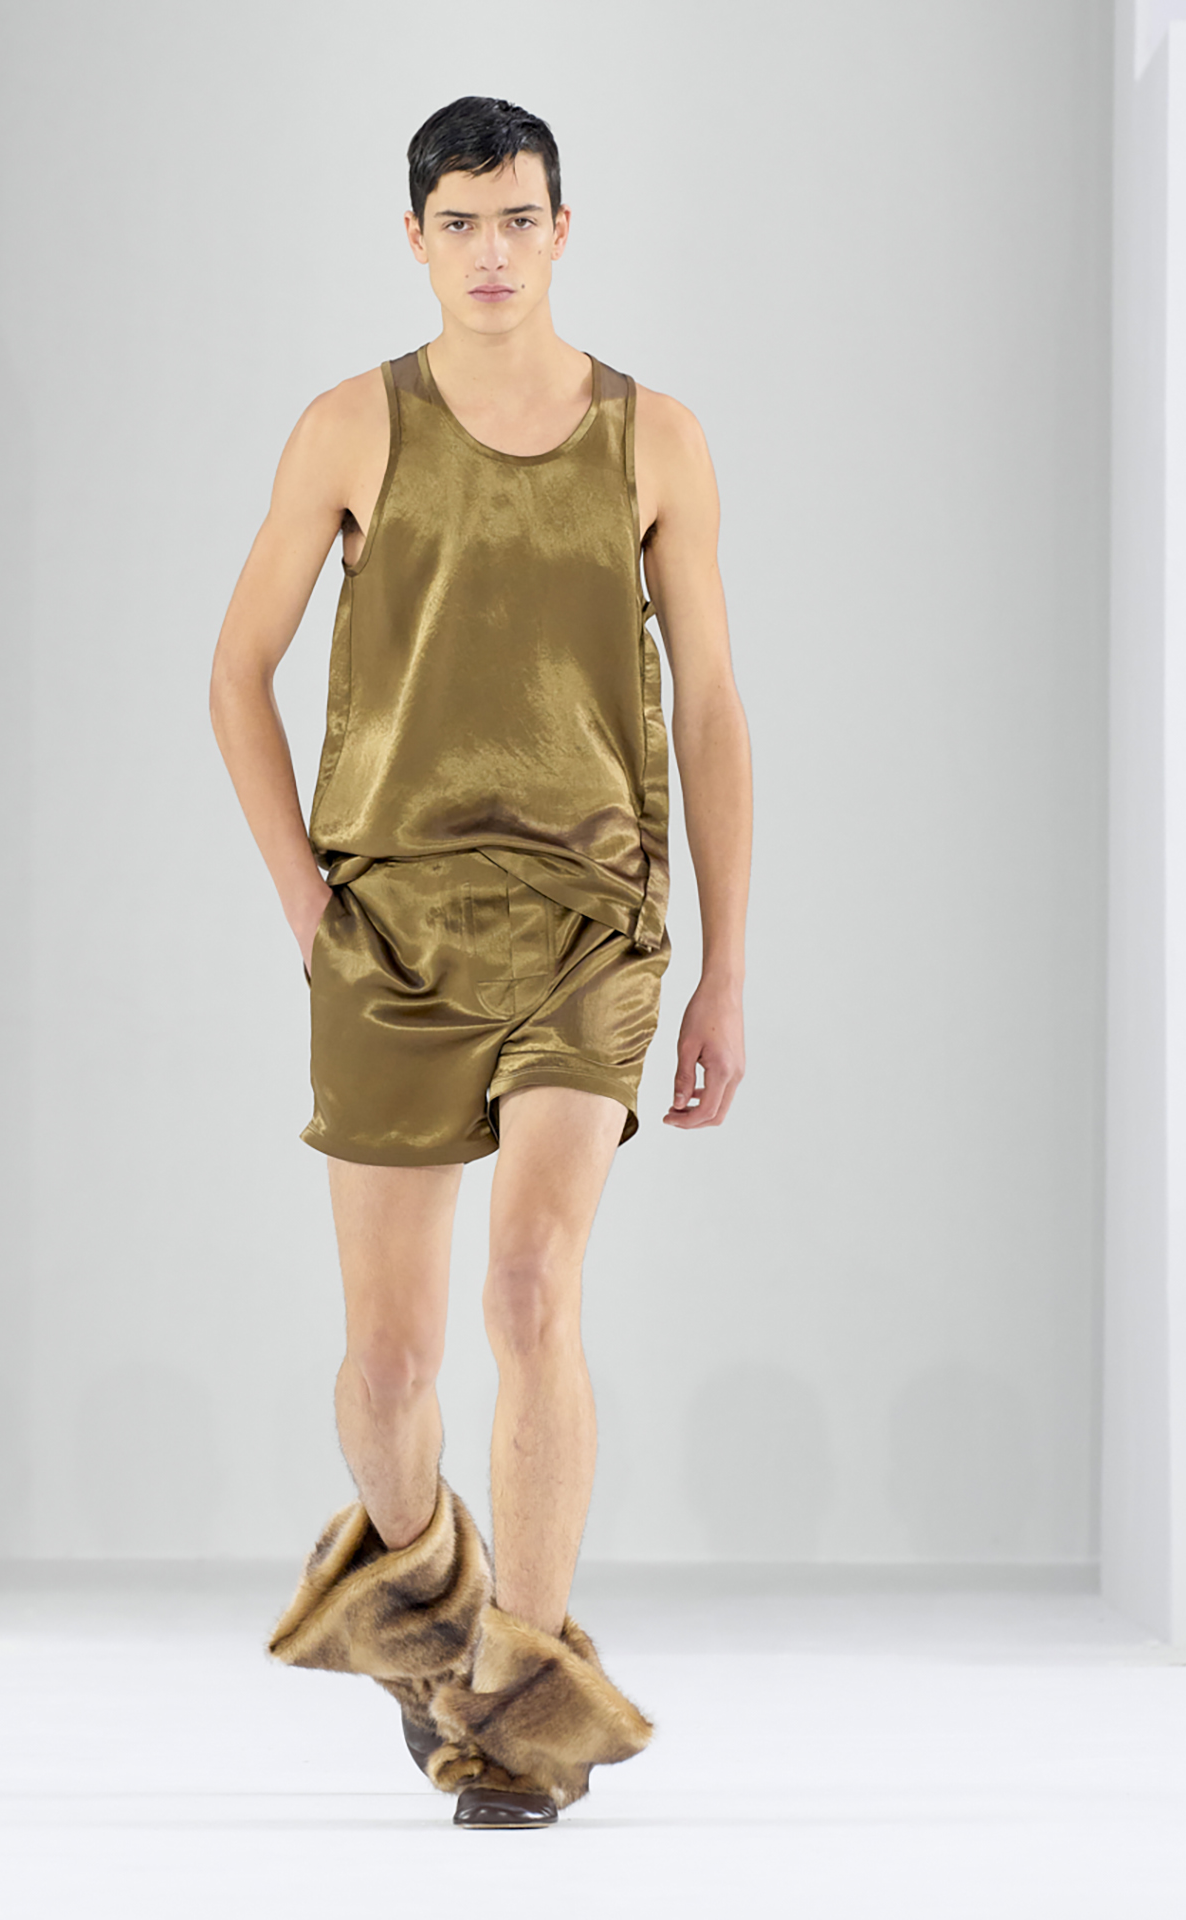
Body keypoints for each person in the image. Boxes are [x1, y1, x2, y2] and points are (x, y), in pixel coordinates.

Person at [208, 96, 751, 1829]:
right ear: (417, 239)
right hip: (393, 930)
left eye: (520, 219)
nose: (493, 251)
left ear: (562, 230)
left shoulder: (655, 439)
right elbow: (235, 669)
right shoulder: (350, 426)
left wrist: (725, 967)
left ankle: (517, 1712)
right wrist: (306, 901)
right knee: (388, 1371)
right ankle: (427, 1601)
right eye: (461, 223)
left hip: (591, 923)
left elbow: (712, 707)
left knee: (529, 1292)